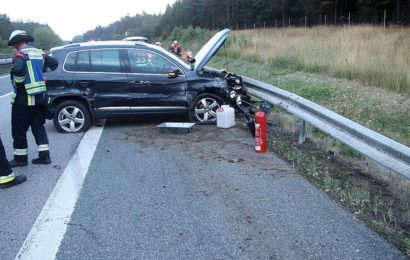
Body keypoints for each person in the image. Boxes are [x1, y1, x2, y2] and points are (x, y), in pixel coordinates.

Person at [7, 30, 58, 167]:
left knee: (18, 129)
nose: (14, 48)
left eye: (14, 45)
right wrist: (40, 71)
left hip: (23, 98)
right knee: (38, 126)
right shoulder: (40, 53)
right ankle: (44, 156)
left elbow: (18, 70)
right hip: (40, 98)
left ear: (17, 43)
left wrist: (18, 82)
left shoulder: (20, 54)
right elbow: (54, 63)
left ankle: (20, 159)